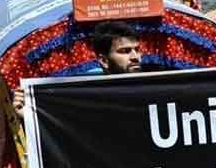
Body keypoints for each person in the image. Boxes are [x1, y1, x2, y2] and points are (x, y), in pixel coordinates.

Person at [12, 22, 142, 110]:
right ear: (103, 60)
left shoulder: (152, 89)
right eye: (125, 51)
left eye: (137, 50)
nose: (135, 57)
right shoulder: (84, 99)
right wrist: (30, 115)